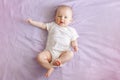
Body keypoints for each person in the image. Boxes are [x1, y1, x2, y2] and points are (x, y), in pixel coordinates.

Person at [26, 5, 79, 77]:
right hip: (50, 52)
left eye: (65, 17)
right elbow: (42, 25)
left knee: (70, 54)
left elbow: (73, 40)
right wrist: (32, 22)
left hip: (62, 53)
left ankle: (59, 60)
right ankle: (50, 67)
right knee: (40, 57)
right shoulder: (52, 25)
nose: (62, 19)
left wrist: (75, 46)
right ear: (55, 17)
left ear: (70, 20)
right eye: (59, 16)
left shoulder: (71, 30)